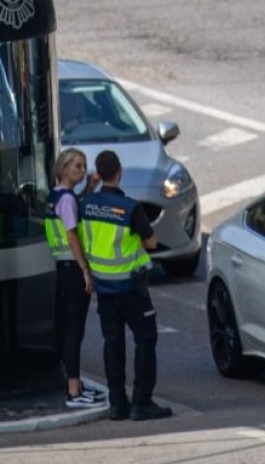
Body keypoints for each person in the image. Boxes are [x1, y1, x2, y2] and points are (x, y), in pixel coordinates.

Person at [80, 150, 172, 421]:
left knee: (113, 343)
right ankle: (142, 402)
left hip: (103, 287)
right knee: (146, 338)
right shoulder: (130, 208)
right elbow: (152, 242)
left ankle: (117, 403)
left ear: (99, 173)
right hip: (130, 287)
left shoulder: (87, 203)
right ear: (119, 172)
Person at [44, 148, 106, 408]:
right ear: (64, 168)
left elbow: (73, 210)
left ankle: (75, 385)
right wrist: (85, 270)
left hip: (62, 268)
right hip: (72, 269)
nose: (82, 170)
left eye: (84, 166)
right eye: (78, 166)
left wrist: (89, 190)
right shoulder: (67, 200)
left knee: (69, 328)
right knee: (74, 331)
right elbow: (72, 234)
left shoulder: (56, 196)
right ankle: (73, 390)